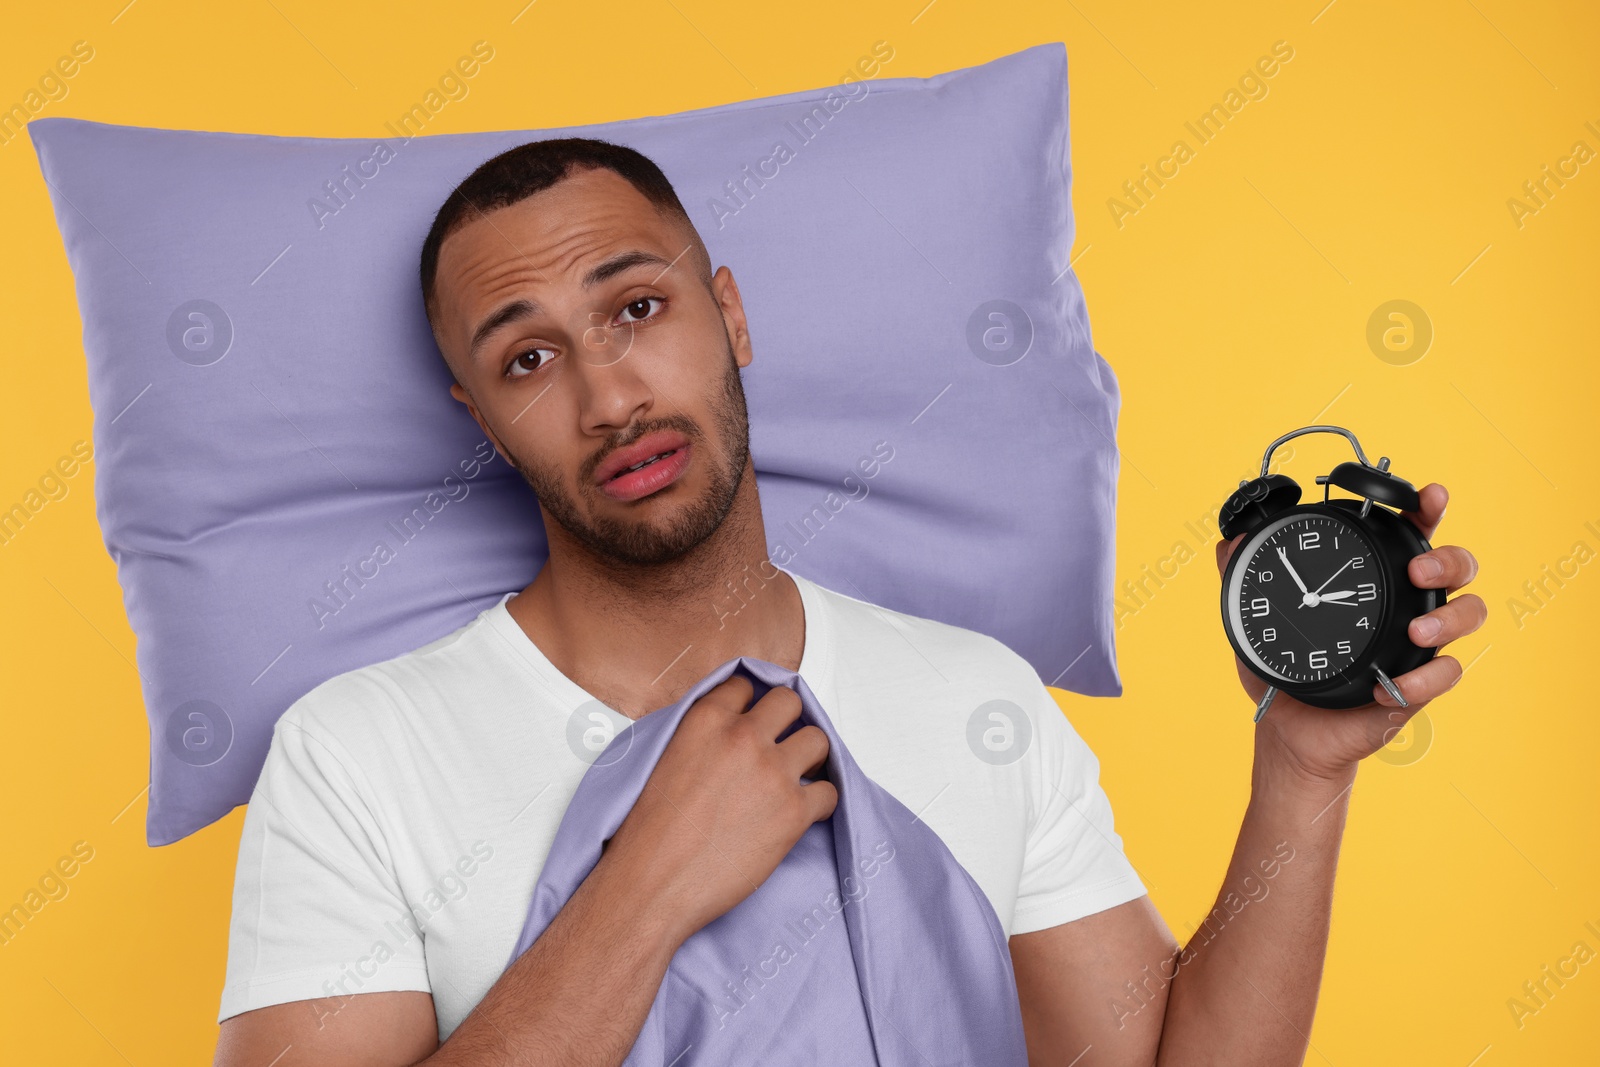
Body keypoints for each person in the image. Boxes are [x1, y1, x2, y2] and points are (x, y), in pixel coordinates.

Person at [212, 138, 1485, 1066]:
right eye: (529, 357)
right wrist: (645, 888)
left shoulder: (976, 697)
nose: (609, 397)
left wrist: (1301, 773)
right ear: (479, 419)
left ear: (730, 314)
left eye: (638, 308)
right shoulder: (354, 757)